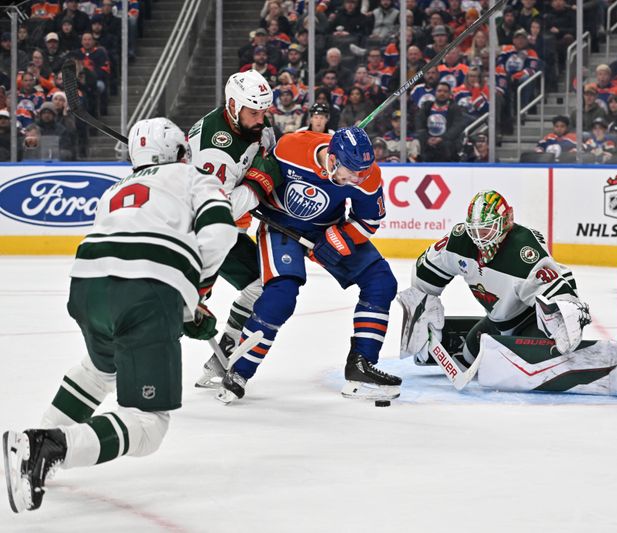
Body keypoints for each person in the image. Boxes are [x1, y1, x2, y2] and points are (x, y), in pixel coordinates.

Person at [2, 117, 237, 514]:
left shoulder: (114, 189)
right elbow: (220, 233)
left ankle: (33, 438)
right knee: (148, 425)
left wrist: (179, 302)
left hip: (87, 284)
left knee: (99, 367)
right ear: (182, 152)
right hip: (147, 287)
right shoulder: (195, 177)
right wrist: (193, 294)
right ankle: (48, 447)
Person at [396, 190, 617, 397]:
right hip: (498, 322)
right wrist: (423, 305)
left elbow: (559, 287)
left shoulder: (524, 249)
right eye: (475, 231)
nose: (479, 239)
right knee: (468, 358)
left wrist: (564, 312)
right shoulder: (461, 240)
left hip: (532, 324)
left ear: (506, 221)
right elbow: (427, 271)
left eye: (485, 230)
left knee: (529, 368)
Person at [215, 127, 402, 403]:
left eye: (361, 172)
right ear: (333, 159)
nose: (357, 178)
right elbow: (260, 175)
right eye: (351, 171)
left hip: (327, 229)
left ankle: (360, 366)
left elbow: (369, 221)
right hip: (279, 225)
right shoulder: (293, 147)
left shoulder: (366, 173)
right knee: (281, 296)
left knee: (381, 282)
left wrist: (339, 239)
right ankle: (239, 371)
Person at [189, 70, 278, 389]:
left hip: (220, 231)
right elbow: (217, 208)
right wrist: (258, 183)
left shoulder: (248, 121)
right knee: (183, 305)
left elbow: (265, 147)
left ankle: (225, 350)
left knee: (263, 282)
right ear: (232, 105)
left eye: (264, 112)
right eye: (254, 112)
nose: (261, 119)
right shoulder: (216, 150)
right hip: (197, 233)